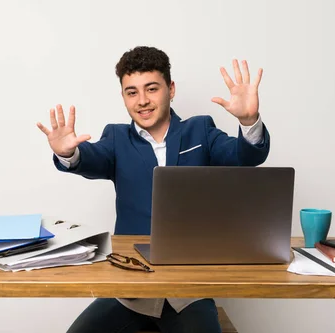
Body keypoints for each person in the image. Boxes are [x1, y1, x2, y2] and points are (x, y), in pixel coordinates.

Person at [37, 46, 270, 333]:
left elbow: (245, 157)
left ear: (170, 89)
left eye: (151, 89)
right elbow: (89, 157)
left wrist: (249, 122)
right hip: (131, 287)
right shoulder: (116, 138)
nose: (142, 101)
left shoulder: (201, 130)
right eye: (131, 92)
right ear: (123, 96)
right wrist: (68, 154)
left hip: (188, 288)